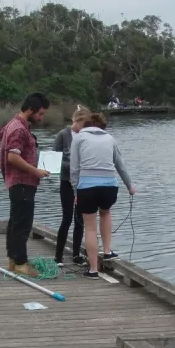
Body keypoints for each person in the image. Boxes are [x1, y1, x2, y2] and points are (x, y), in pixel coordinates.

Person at [69, 110, 136, 279]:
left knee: (90, 227)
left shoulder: (78, 138)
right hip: (109, 186)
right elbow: (120, 165)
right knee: (105, 213)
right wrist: (130, 186)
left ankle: (93, 269)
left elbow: (74, 169)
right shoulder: (110, 138)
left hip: (87, 187)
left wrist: (75, 191)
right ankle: (107, 251)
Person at [0, 92, 50, 277]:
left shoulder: (13, 125)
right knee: (22, 225)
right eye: (40, 114)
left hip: (17, 182)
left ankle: (13, 260)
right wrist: (35, 171)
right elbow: (12, 156)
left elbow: (3, 138)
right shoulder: (19, 129)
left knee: (15, 222)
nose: (41, 118)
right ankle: (21, 263)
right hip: (21, 183)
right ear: (30, 110)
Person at [51, 105, 88, 267]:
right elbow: (54, 160)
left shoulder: (86, 136)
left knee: (80, 220)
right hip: (66, 181)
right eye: (83, 124)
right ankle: (58, 256)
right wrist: (74, 166)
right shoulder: (63, 135)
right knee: (66, 218)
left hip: (82, 183)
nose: (85, 128)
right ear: (76, 121)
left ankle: (76, 254)